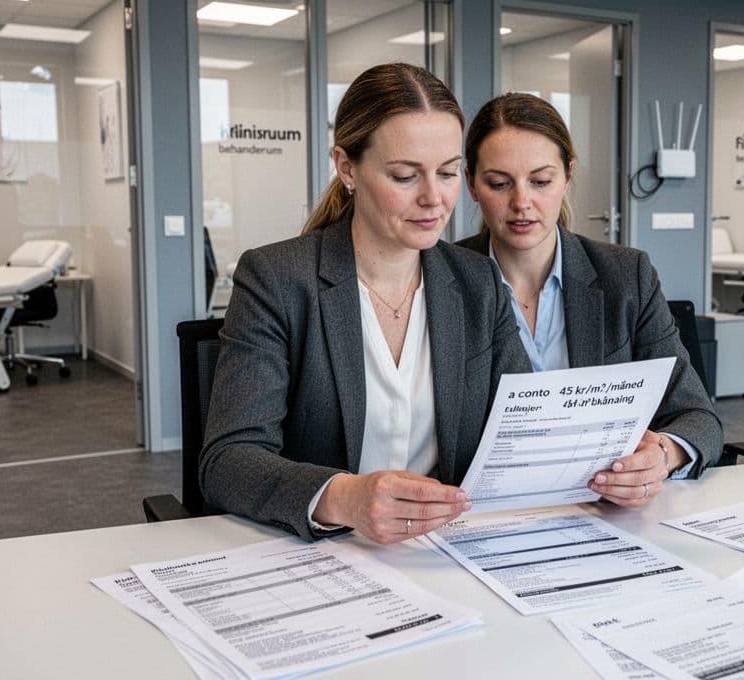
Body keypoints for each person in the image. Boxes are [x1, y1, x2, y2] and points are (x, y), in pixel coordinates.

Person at [200, 63, 529, 544]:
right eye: (404, 176)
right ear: (347, 167)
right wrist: (342, 497)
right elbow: (228, 459)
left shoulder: (477, 281)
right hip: (321, 551)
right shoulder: (278, 280)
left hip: (447, 550)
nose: (434, 199)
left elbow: (522, 426)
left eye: (448, 173)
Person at [459, 93, 723, 507]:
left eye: (541, 181)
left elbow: (698, 416)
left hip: (604, 512)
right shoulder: (443, 278)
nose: (521, 202)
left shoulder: (625, 276)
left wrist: (662, 456)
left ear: (568, 174)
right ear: (471, 182)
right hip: (482, 515)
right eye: (499, 183)